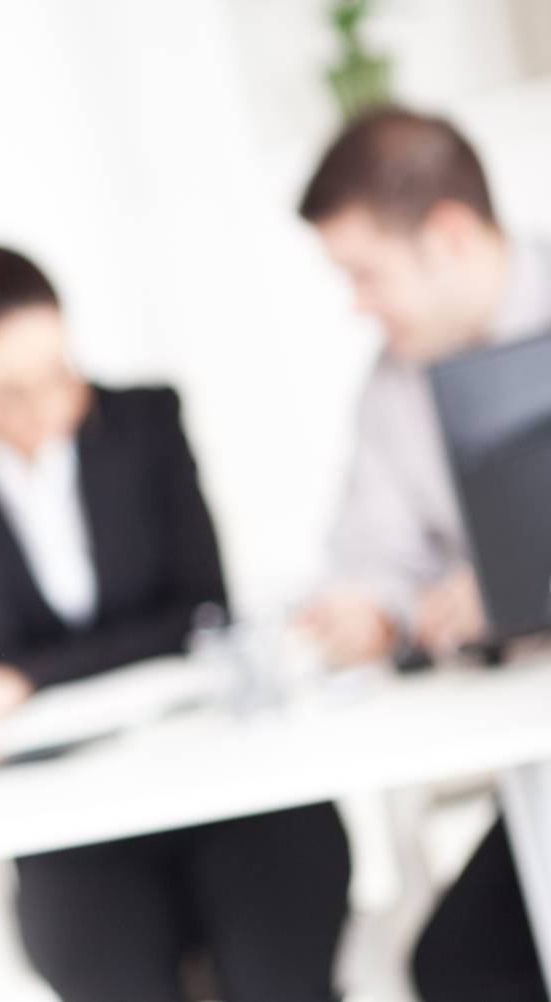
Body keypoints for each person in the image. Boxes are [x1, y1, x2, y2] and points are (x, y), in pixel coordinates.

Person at [0, 245, 351, 1002]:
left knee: (279, 973)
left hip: (227, 779)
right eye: (8, 390)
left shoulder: (146, 420)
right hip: (74, 817)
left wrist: (32, 677)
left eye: (57, 373)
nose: (46, 408)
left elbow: (200, 613)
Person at [293, 105, 551, 1002]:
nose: (358, 304)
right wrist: (369, 606)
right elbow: (376, 550)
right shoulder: (391, 387)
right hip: (529, 747)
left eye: (367, 273)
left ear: (445, 235)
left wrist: (521, 580)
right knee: (458, 966)